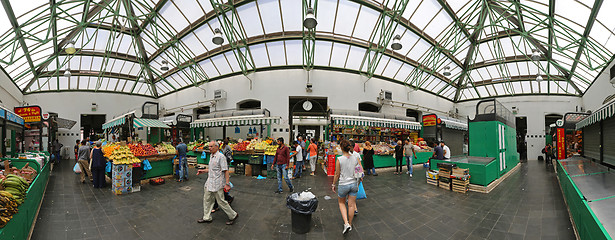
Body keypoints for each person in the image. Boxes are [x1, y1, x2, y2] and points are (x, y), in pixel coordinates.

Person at [196, 141, 238, 225]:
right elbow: (212, 169)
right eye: (209, 146)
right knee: (207, 199)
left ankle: (233, 215)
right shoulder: (211, 156)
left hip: (217, 183)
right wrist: (203, 171)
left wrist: (227, 184)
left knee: (221, 201)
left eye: (211, 146)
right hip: (209, 182)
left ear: (217, 147)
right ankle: (207, 217)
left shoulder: (221, 157)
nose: (209, 148)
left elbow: (225, 171)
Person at [331, 140, 360, 234]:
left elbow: (337, 174)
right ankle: (350, 224)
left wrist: (333, 184)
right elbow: (359, 171)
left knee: (341, 203)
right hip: (354, 184)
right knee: (351, 205)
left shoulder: (339, 159)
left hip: (343, 184)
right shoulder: (355, 158)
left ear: (341, 148)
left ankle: (346, 223)